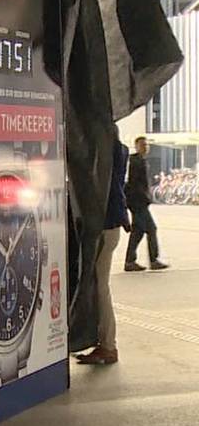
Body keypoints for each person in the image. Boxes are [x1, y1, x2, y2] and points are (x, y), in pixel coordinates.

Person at [78, 137, 132, 365]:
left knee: (100, 286)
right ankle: (104, 343)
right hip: (111, 224)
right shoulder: (118, 150)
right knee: (99, 285)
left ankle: (108, 345)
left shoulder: (104, 155)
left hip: (105, 225)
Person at [124, 136, 168, 271]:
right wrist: (142, 198)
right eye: (142, 145)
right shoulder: (135, 161)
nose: (145, 147)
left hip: (139, 201)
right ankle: (153, 260)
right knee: (151, 229)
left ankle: (130, 261)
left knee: (138, 231)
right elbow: (133, 183)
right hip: (138, 202)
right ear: (136, 146)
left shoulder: (142, 161)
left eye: (147, 145)